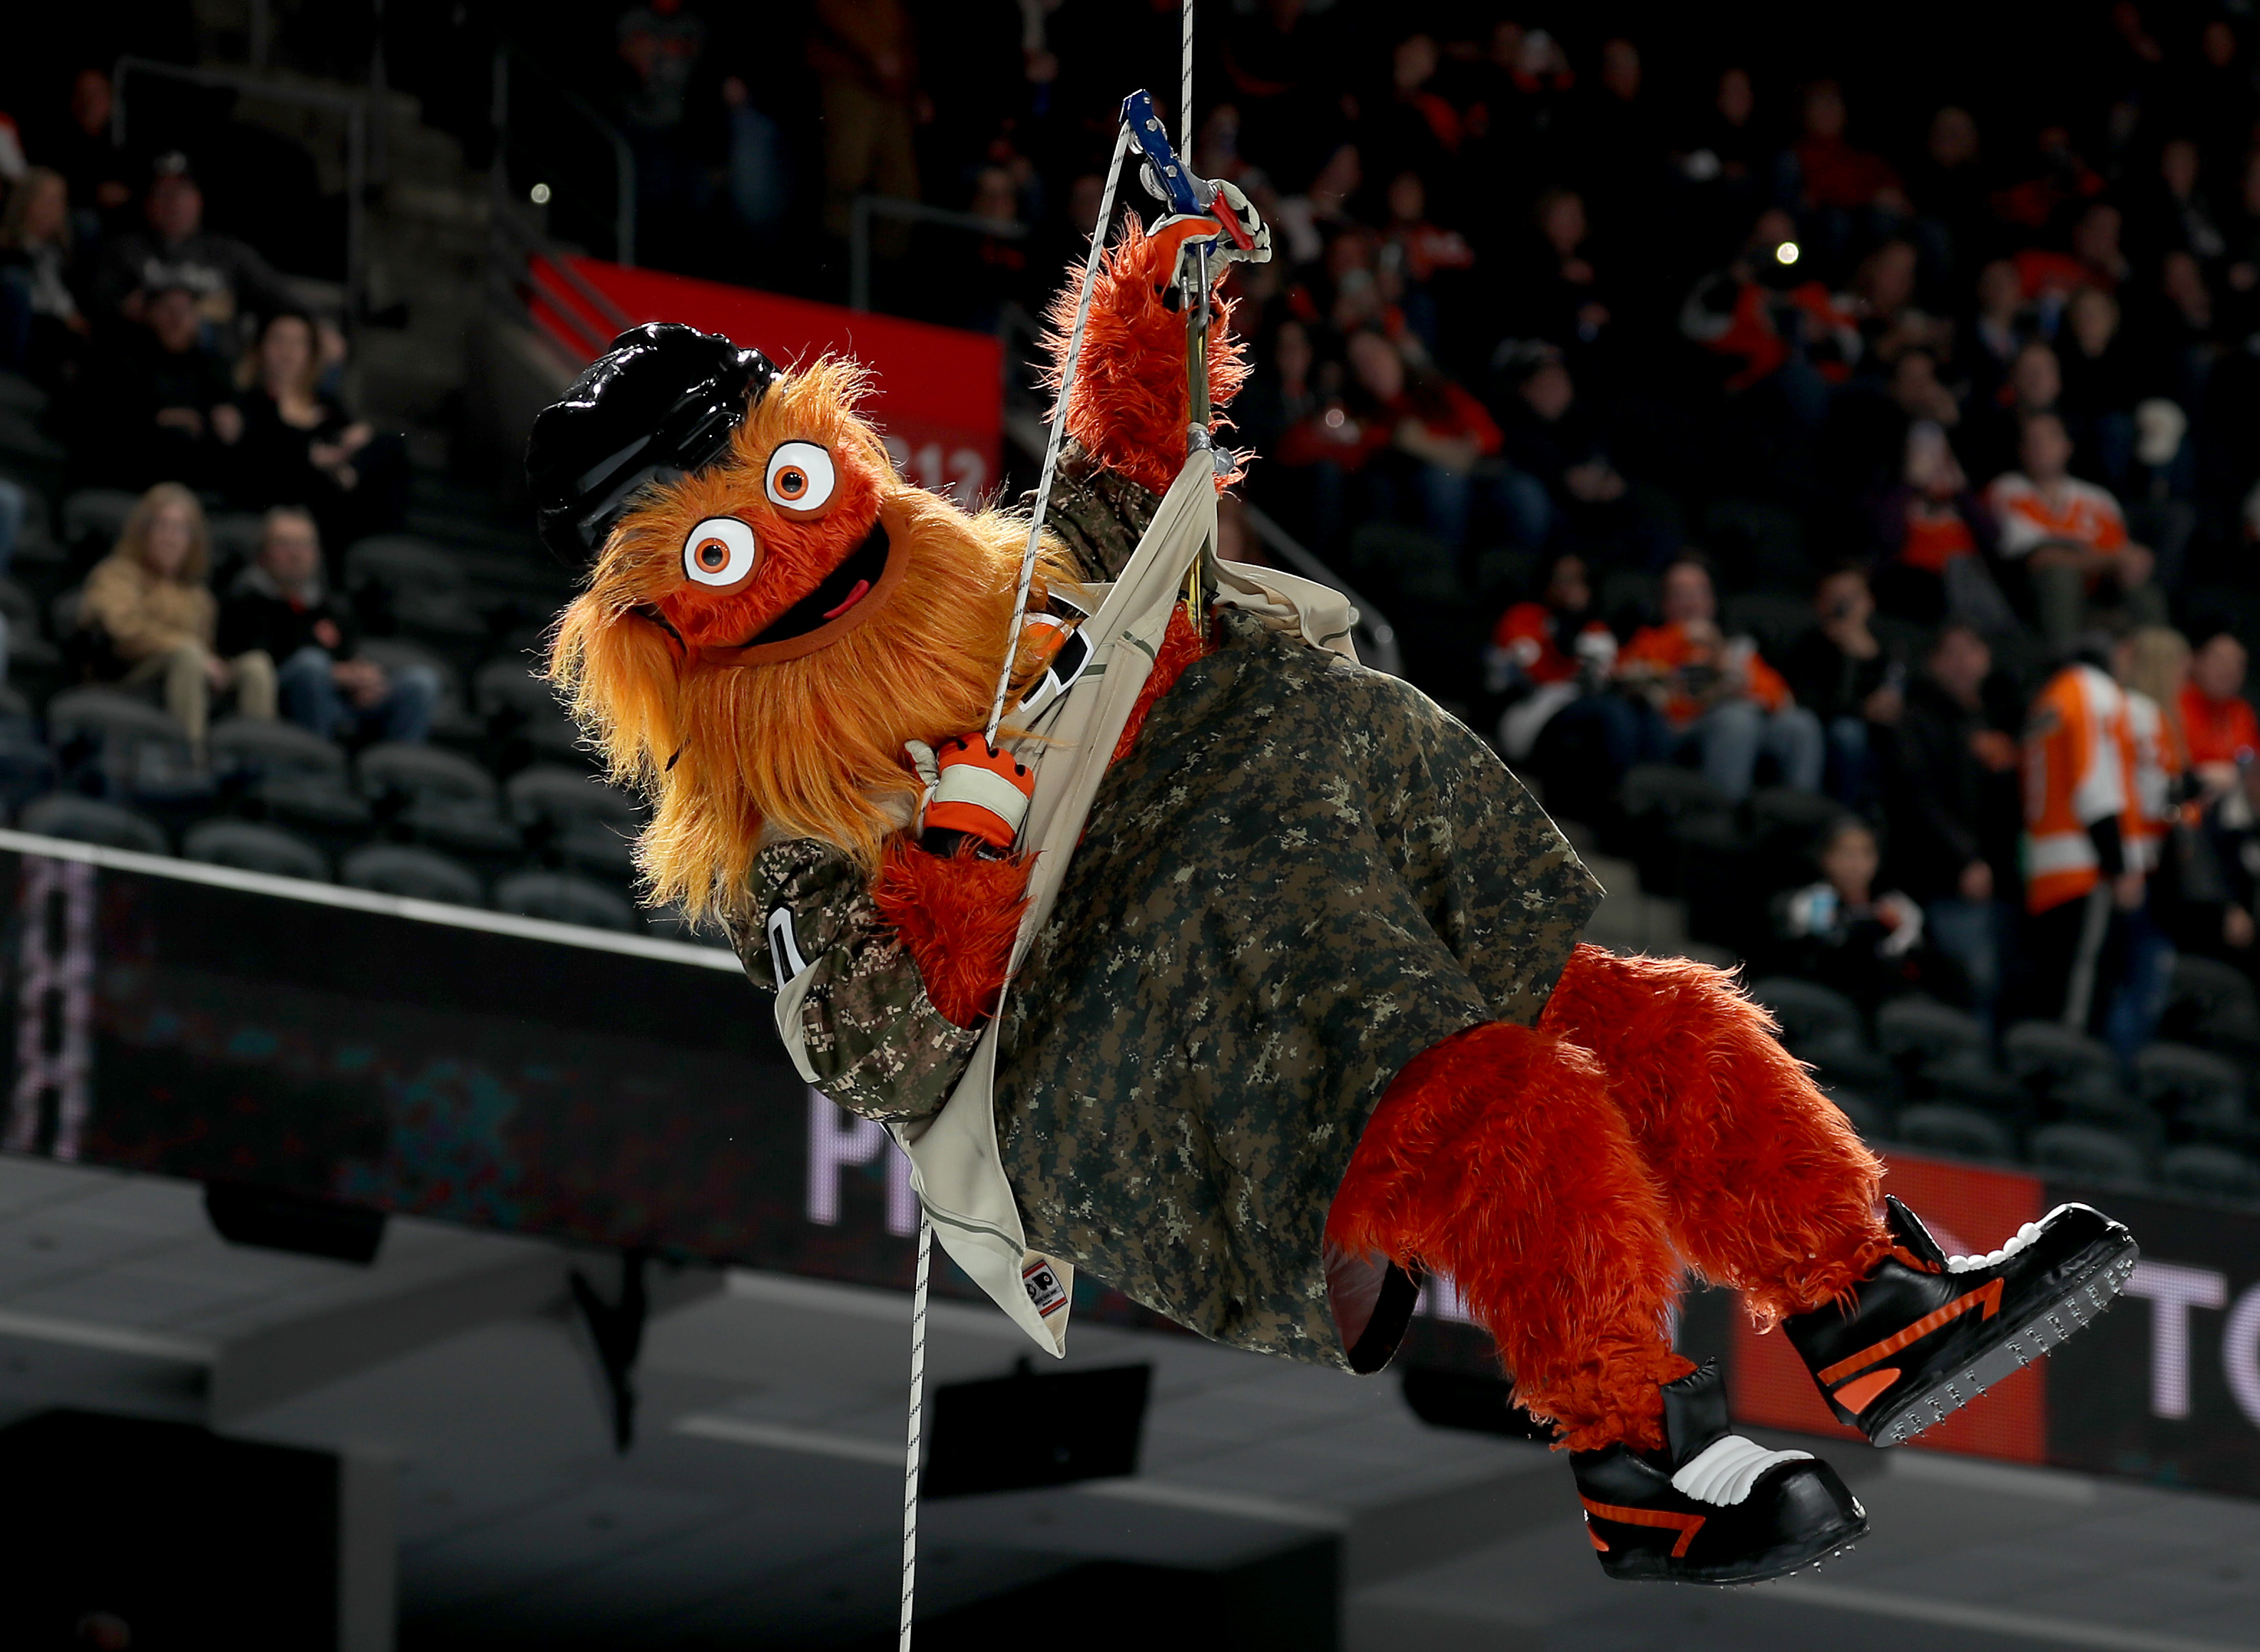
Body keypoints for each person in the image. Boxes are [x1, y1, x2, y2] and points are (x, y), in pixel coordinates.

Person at [218, 506, 439, 745]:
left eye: (304, 544)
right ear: (263, 553)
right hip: (282, 700)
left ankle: (396, 775)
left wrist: (365, 681)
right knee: (311, 665)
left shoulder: (331, 607)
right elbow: (253, 666)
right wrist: (333, 675)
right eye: (284, 544)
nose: (296, 554)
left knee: (421, 682)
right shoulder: (243, 602)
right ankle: (317, 766)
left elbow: (349, 656)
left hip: (339, 702)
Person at [1890, 623, 2023, 1019]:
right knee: (1970, 984)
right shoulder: (1917, 719)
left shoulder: (1998, 720)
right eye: (1952, 652)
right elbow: (1919, 800)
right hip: (1950, 877)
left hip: (2003, 878)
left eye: (1972, 650)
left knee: (2004, 985)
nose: (1963, 662)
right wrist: (1964, 859)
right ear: (1934, 662)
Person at [78, 483, 276, 747]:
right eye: (163, 526)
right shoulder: (117, 574)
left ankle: (258, 763)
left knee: (257, 666)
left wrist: (210, 662)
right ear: (144, 531)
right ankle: (189, 759)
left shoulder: (198, 597)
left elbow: (205, 648)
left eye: (181, 530)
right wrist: (185, 647)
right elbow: (123, 630)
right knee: (189, 655)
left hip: (188, 671)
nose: (171, 538)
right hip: (128, 675)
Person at [1616, 554, 1823, 800]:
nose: (1692, 603)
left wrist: (1724, 662)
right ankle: (1722, 818)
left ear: (1713, 601)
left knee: (1801, 724)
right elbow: (1628, 678)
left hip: (1746, 723)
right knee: (1737, 719)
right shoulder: (1650, 642)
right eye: (1681, 594)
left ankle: (1798, 817)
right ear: (1665, 603)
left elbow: (1778, 697)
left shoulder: (1731, 647)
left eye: (1700, 592)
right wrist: (1679, 637)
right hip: (1686, 732)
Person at [2017, 637, 2139, 1032]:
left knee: (2050, 987)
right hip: (2084, 867)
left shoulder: (2051, 696)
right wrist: (2119, 864)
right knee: (2077, 1002)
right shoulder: (2094, 692)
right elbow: (2094, 785)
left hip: (2046, 866)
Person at [228, 310, 404, 551]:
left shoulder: (328, 405)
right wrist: (316, 455)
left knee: (389, 447)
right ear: (260, 348)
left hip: (334, 511)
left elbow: (376, 442)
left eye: (298, 342)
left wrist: (348, 468)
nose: (287, 351)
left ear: (311, 354)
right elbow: (261, 456)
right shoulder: (248, 403)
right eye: (278, 340)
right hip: (276, 507)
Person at [1985, 411, 2161, 649]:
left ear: (2067, 446)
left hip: (2101, 592)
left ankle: (2155, 672)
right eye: (2033, 441)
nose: (2042, 447)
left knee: (2143, 592)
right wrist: (2112, 559)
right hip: (2033, 595)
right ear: (2022, 450)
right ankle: (2063, 665)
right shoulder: (2006, 491)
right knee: (2060, 574)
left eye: (2050, 438)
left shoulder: (2098, 498)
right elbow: (2039, 558)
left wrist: (2135, 561)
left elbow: (2124, 557)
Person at [1774, 817, 1960, 1013]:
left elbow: (1912, 964)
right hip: (1825, 997)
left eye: (1865, 853)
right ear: (1825, 858)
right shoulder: (1810, 904)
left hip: (1887, 1001)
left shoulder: (1898, 907)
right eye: (1846, 853)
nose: (1856, 864)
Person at [92, 155, 293, 334]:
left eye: (182, 192)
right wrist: (144, 310)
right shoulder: (123, 252)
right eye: (163, 192)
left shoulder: (230, 254)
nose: (174, 202)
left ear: (199, 199)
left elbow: (282, 299)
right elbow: (96, 307)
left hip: (214, 368)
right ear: (148, 203)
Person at [85, 280, 242, 491]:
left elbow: (229, 412)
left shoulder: (211, 367)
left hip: (197, 482)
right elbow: (102, 422)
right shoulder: (120, 360)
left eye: (186, 311)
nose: (176, 319)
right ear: (148, 312)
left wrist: (231, 422)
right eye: (168, 309)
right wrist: (158, 420)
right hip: (128, 475)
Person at [1781, 564, 1901, 809]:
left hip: (1880, 737)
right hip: (1823, 732)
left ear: (1870, 602)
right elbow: (1804, 702)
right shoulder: (1808, 646)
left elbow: (1898, 697)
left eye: (1853, 597)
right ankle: (1839, 817)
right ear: (1820, 605)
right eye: (1835, 597)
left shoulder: (1888, 650)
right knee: (1847, 732)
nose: (1844, 606)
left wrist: (1867, 659)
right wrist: (1860, 708)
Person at [0, 166, 89, 390]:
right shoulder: (8, 252)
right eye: (48, 200)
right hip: (31, 336)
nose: (56, 208)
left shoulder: (65, 255)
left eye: (61, 200)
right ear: (26, 203)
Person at [2179, 626, 2259, 796]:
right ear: (2197, 662)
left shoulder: (2241, 711)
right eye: (2219, 660)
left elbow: (2253, 762)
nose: (2228, 670)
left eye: (2237, 664)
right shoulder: (2177, 706)